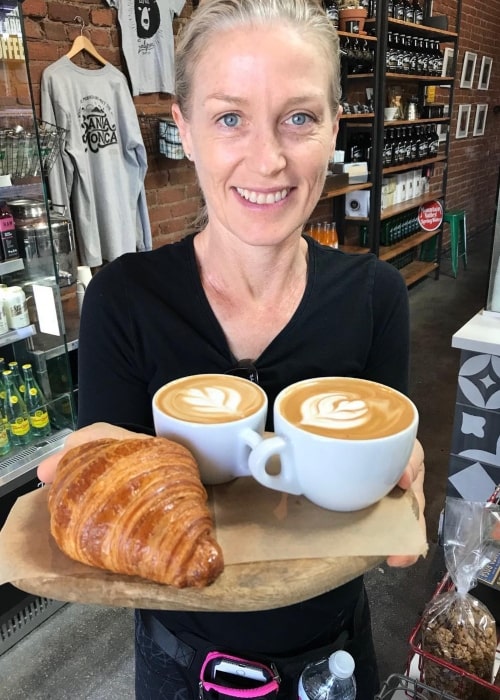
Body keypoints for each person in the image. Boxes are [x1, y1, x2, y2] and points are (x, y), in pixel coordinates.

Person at [38, 1, 426, 697]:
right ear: (184, 130)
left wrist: (395, 475)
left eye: (300, 118)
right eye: (229, 118)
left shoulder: (377, 297)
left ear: (337, 124)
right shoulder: (124, 301)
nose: (269, 159)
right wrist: (92, 467)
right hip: (177, 664)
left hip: (333, 660)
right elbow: (115, 499)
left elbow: (380, 535)